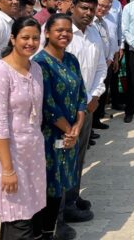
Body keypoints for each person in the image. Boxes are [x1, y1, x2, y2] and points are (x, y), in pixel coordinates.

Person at [0, 17, 46, 240]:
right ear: (13, 39)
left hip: (31, 153)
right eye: (25, 37)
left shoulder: (36, 69)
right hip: (6, 156)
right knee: (17, 218)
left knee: (28, 214)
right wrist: (7, 170)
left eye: (35, 38)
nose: (31, 43)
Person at [33, 14, 87, 240]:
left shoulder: (72, 59)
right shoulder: (40, 63)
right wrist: (68, 129)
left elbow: (81, 94)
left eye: (68, 31)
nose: (65, 34)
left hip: (71, 133)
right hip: (50, 134)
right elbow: (47, 103)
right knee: (50, 182)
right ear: (47, 33)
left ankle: (57, 224)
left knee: (64, 178)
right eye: (59, 30)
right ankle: (47, 230)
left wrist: (78, 126)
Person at [61, 0, 106, 223]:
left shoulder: (94, 33)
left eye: (92, 9)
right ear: (73, 7)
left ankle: (72, 197)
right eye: (84, 8)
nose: (88, 13)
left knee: (78, 156)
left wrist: (95, 96)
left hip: (87, 106)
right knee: (63, 156)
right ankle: (61, 208)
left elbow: (100, 67)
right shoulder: (61, 32)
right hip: (63, 108)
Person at [91, 0, 115, 130]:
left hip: (105, 64)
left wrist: (110, 57)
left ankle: (97, 120)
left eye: (106, 7)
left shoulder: (104, 23)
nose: (103, 9)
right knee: (93, 94)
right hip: (94, 64)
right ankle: (90, 125)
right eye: (100, 5)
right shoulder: (90, 23)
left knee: (101, 93)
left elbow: (108, 42)